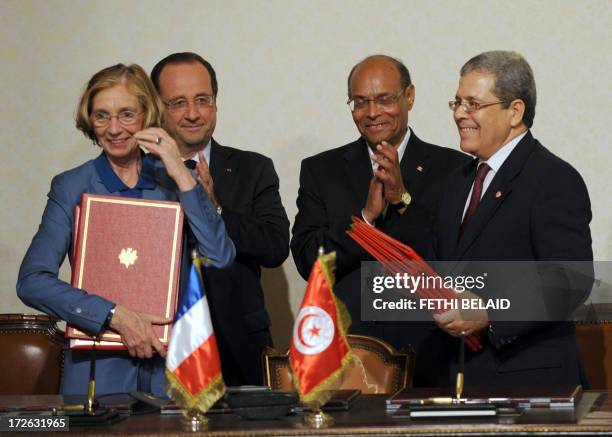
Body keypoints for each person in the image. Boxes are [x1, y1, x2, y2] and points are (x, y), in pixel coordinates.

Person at [17, 63, 235, 396]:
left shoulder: (173, 179)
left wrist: (180, 171)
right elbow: (32, 281)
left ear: (147, 114)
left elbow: (220, 257)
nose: (114, 128)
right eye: (102, 116)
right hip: (96, 370)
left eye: (127, 114)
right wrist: (113, 315)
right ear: (89, 119)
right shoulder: (71, 186)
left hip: (172, 370)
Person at [291, 54, 470, 387]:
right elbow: (306, 259)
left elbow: (453, 260)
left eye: (384, 99)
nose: (372, 113)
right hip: (347, 357)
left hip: (430, 354)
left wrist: (403, 201)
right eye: (360, 102)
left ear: (410, 96)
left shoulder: (454, 169)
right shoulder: (321, 171)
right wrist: (365, 220)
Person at [432, 50, 593, 387]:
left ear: (515, 111)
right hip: (461, 377)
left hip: (529, 383)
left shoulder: (552, 178)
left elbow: (570, 279)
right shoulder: (455, 183)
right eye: (457, 103)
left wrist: (491, 311)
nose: (460, 114)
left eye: (473, 104)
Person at [150, 52, 289, 386]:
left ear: (215, 102)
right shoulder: (141, 173)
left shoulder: (253, 168)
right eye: (178, 103)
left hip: (240, 347)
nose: (193, 113)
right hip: (161, 347)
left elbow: (274, 247)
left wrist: (217, 210)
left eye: (203, 99)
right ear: (156, 108)